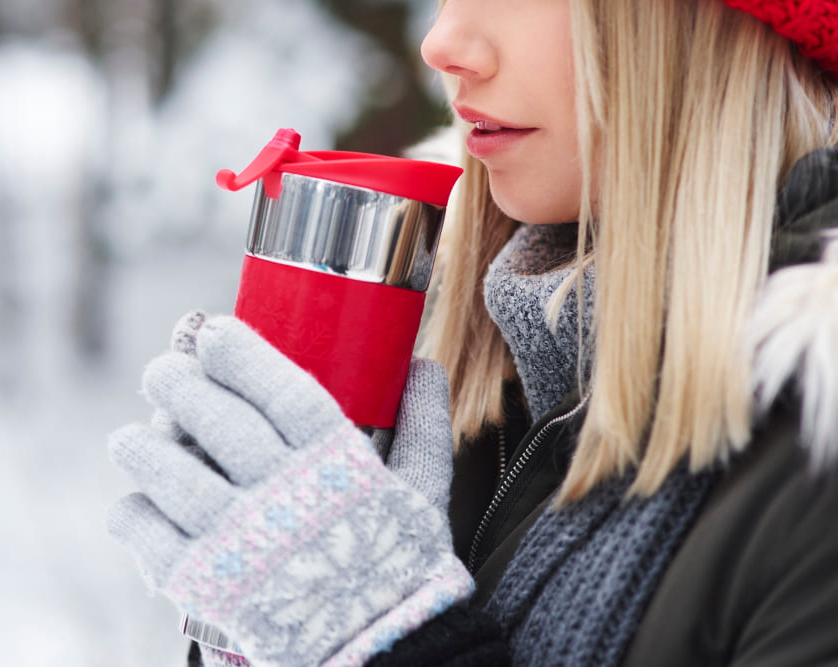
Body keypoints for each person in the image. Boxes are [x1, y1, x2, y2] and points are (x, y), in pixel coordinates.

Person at [106, 0, 838, 665]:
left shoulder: (817, 445)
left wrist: (381, 636)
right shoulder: (472, 368)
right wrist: (267, 628)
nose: (441, 44)